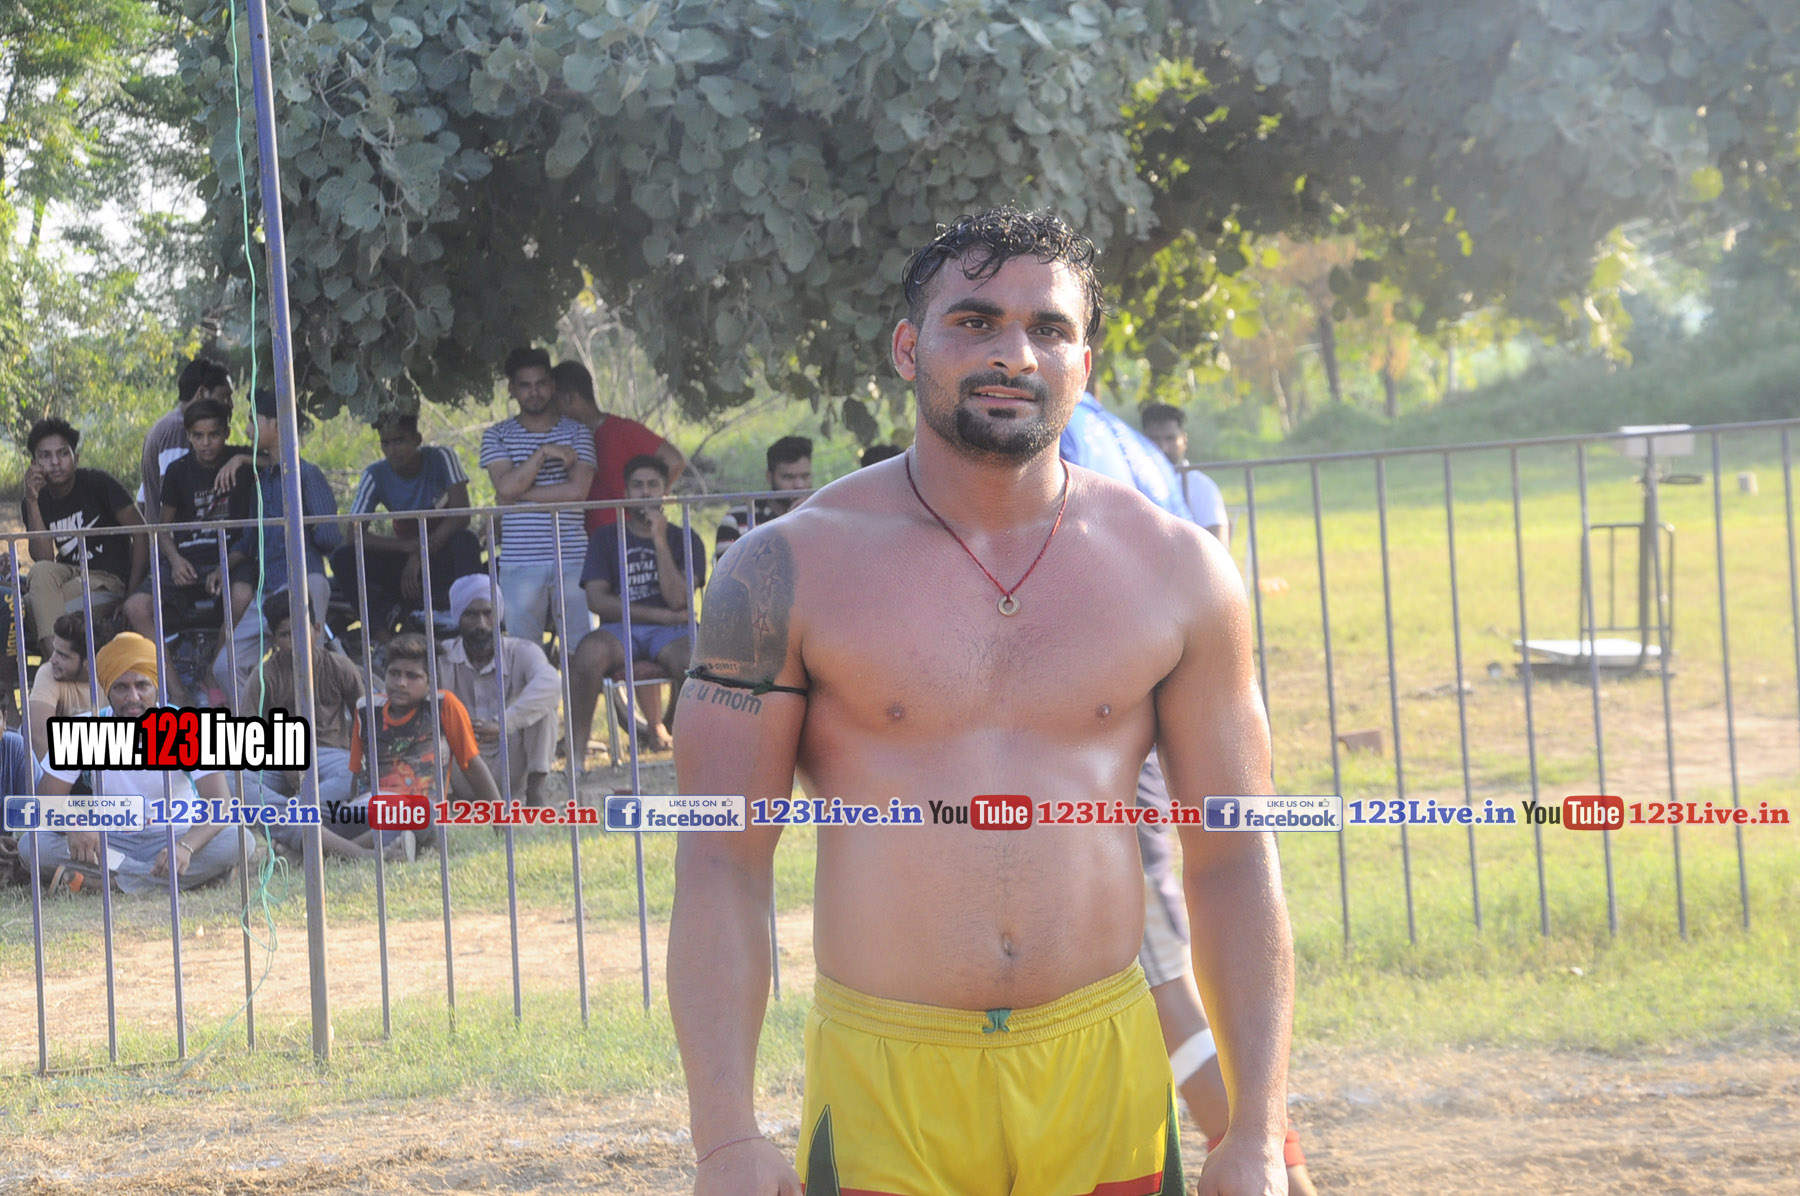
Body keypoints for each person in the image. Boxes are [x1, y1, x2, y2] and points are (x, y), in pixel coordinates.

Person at [668, 209, 1291, 1196]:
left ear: (1084, 361)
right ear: (907, 348)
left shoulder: (1180, 571)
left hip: (1102, 1073)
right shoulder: (783, 569)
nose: (1014, 353)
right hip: (885, 1084)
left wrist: (1255, 1130)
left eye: (1048, 328)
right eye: (974, 320)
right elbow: (718, 861)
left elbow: (1234, 856)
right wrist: (725, 1138)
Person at [1063, 397, 1319, 1196]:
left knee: (1166, 984)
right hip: (1113, 739)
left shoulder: (1065, 433)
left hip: (1102, 760)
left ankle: (1276, 1170)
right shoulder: (1114, 436)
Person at [24, 633, 254, 894]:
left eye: (142, 685)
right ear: (107, 689)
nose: (133, 697)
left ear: (156, 686)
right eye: (121, 687)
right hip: (109, 842)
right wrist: (74, 824)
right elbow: (45, 801)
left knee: (240, 839)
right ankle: (173, 880)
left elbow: (221, 804)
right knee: (32, 843)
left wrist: (186, 846)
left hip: (174, 836)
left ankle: (110, 883)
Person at [237, 590, 399, 862]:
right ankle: (306, 826)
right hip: (281, 760)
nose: (295, 641)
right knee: (236, 780)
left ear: (316, 628)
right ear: (274, 639)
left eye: (301, 631)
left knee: (352, 773)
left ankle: (291, 819)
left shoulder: (340, 667)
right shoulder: (264, 676)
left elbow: (367, 723)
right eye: (285, 635)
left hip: (331, 757)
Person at [569, 455, 705, 762]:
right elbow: (596, 600)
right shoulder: (605, 538)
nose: (645, 492)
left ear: (665, 493)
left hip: (673, 632)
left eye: (653, 485)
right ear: (626, 493)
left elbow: (679, 600)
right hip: (619, 630)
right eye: (637, 485)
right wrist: (661, 616)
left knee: (694, 660)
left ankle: (692, 753)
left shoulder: (685, 537)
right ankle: (576, 756)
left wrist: (659, 540)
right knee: (588, 654)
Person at [121, 396, 256, 703]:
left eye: (214, 434)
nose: (206, 443)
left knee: (242, 596)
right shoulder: (178, 471)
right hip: (187, 561)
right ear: (188, 435)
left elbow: (277, 459)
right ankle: (176, 691)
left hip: (231, 559)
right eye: (198, 435)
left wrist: (241, 459)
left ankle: (214, 671)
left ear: (226, 432)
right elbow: (162, 528)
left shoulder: (243, 462)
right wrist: (175, 559)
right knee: (136, 607)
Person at [216, 389, 339, 703]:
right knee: (226, 666)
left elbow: (329, 536)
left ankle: (322, 725)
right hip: (268, 589)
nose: (248, 430)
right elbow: (249, 537)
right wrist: (223, 566)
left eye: (253, 421)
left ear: (277, 424)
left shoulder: (307, 474)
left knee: (310, 665)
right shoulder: (261, 480)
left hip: (304, 581)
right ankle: (258, 724)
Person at [480, 347, 597, 647]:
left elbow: (577, 492)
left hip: (572, 557)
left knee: (581, 649)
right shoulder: (497, 435)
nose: (534, 392)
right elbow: (505, 486)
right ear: (512, 389)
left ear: (552, 385)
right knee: (523, 651)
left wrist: (519, 494)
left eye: (541, 383)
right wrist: (544, 453)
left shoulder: (578, 432)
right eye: (525, 385)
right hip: (520, 559)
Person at [348, 632, 503, 850]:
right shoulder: (366, 709)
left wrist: (502, 824)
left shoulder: (444, 706)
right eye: (394, 673)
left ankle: (342, 849)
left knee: (425, 813)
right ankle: (359, 848)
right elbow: (357, 774)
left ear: (430, 682)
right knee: (310, 815)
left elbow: (473, 767)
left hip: (418, 813)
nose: (401, 683)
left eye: (413, 676)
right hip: (368, 810)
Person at [332, 411, 482, 634]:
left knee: (466, 540)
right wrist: (408, 547)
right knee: (343, 558)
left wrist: (421, 552)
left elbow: (462, 513)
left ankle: (469, 622)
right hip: (404, 560)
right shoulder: (375, 475)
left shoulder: (441, 458)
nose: (392, 450)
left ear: (417, 439)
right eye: (385, 443)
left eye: (399, 441)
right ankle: (382, 636)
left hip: (442, 553)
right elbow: (353, 534)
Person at [20, 418, 148, 657]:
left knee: (33, 606)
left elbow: (141, 533)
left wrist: (132, 594)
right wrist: (33, 501)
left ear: (75, 458)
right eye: (45, 456)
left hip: (108, 579)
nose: (55, 462)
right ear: (34, 464)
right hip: (71, 574)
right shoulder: (34, 500)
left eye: (62, 453)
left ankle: (56, 666)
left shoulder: (98, 484)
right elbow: (43, 558)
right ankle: (61, 665)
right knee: (39, 575)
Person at [436, 575, 562, 806]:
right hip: (460, 768)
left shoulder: (522, 651)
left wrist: (503, 723)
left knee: (543, 711)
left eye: (488, 613)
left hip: (511, 764)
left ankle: (535, 795)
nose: (481, 624)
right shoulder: (441, 658)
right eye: (471, 615)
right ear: (457, 617)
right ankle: (447, 800)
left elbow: (551, 683)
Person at [553, 359, 687, 533]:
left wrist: (649, 499)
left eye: (553, 401)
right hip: (583, 538)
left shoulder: (622, 430)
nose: (551, 410)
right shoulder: (562, 437)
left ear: (568, 397)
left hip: (625, 536)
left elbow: (674, 460)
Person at [141, 355, 233, 516]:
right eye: (224, 396)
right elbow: (174, 493)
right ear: (202, 393)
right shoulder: (178, 430)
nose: (231, 405)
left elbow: (142, 498)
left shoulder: (168, 426)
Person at [711, 435, 812, 560]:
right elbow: (727, 571)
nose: (799, 485)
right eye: (788, 477)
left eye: (805, 476)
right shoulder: (736, 520)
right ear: (769, 477)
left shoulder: (821, 517)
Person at [1141, 402, 1229, 546]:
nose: (1163, 448)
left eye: (1170, 438)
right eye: (1154, 439)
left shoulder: (1202, 487)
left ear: (1184, 440)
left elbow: (1218, 546)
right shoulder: (1133, 482)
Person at [26, 611, 105, 765]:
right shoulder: (49, 672)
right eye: (55, 650)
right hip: (60, 769)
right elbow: (39, 736)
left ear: (89, 663)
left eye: (62, 655)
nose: (52, 659)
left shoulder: (115, 677)